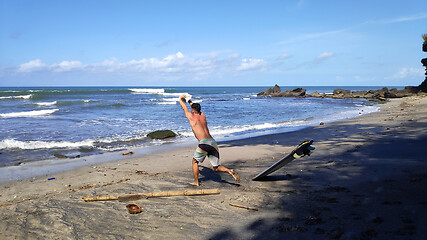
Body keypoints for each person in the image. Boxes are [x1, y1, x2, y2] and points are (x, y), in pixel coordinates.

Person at [179, 94, 240, 186]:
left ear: (192, 111)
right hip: (212, 142)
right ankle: (229, 171)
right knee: (216, 167)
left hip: (204, 143)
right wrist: (189, 100)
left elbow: (184, 108)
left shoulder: (191, 117)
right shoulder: (203, 116)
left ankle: (196, 182)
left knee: (195, 161)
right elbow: (195, 108)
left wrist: (180, 98)